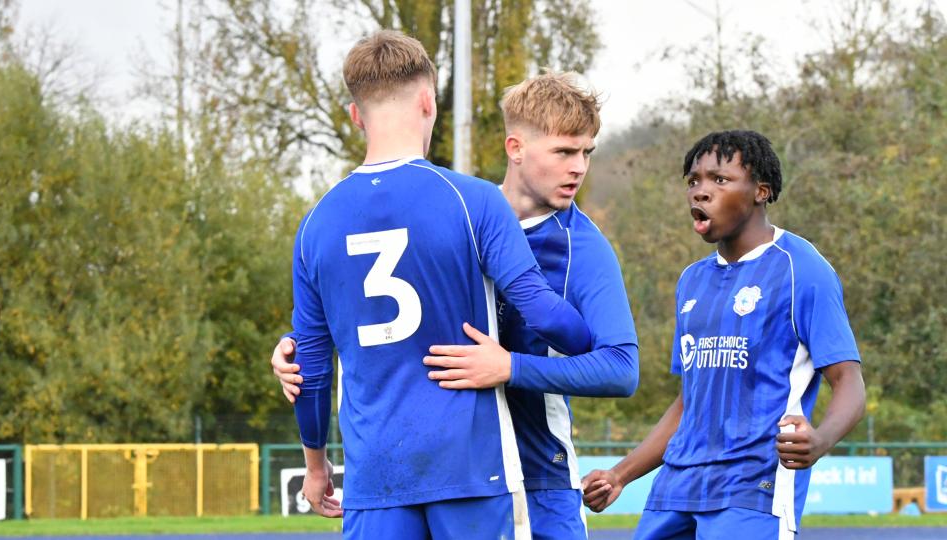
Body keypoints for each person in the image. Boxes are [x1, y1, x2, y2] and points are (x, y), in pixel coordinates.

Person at [287, 30, 592, 540]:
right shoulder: (472, 200)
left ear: (356, 115)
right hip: (472, 470)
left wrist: (316, 466)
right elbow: (541, 313)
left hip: (374, 478)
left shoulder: (317, 223)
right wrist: (588, 341)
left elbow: (310, 369)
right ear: (428, 101)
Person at [581, 130, 866, 539]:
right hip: (676, 488)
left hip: (753, 489)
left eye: (719, 179)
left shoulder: (802, 270)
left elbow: (850, 382)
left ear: (760, 191)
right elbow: (688, 403)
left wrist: (819, 440)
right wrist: (621, 474)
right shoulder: (691, 281)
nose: (700, 192)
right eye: (694, 181)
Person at [421, 73, 640, 540]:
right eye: (564, 152)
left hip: (540, 479)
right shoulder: (459, 217)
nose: (579, 167)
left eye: (587, 152)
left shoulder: (584, 248)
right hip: (450, 478)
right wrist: (297, 344)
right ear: (516, 147)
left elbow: (622, 370)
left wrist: (510, 368)